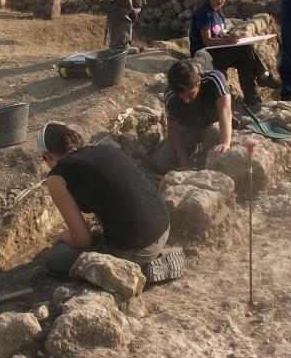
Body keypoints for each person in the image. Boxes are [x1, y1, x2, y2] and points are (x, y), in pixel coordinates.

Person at [39, 121, 184, 282]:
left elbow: (82, 240)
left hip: (137, 247)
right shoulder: (104, 149)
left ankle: (135, 272)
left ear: (47, 156)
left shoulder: (56, 177)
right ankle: (148, 257)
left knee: (55, 257)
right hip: (163, 226)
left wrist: (63, 237)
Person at [189, 0, 280, 106]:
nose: (220, 0)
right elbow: (208, 41)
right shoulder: (205, 13)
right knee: (245, 50)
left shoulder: (217, 12)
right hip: (206, 54)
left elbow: (219, 33)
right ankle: (264, 76)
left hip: (217, 50)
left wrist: (231, 37)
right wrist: (228, 40)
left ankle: (253, 98)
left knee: (245, 61)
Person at [150, 60, 233, 175]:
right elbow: (173, 130)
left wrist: (225, 142)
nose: (186, 100)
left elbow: (225, 111)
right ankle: (192, 152)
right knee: (159, 163)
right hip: (188, 129)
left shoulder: (214, 79)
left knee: (214, 133)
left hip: (212, 126)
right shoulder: (171, 93)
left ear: (198, 81)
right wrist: (184, 163)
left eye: (190, 94)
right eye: (181, 97)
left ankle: (204, 164)